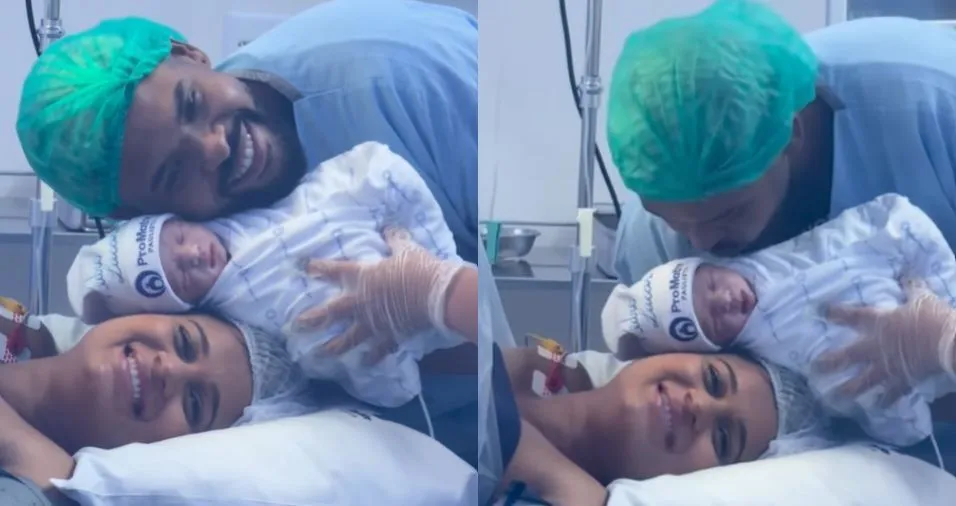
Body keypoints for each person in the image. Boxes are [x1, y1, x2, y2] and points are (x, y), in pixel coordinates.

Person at [296, 232, 833, 504]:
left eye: (723, 439)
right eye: (714, 381)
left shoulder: (572, 496)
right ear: (672, 349)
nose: (700, 407)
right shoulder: (542, 364)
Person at [16, 0, 479, 264]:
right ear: (134, 216)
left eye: (192, 103)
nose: (215, 146)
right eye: (175, 172)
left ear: (190, 54)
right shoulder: (202, 255)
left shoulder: (406, 81)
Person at [67, 142, 466, 408]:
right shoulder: (237, 315)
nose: (194, 255)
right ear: (183, 306)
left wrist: (434, 283)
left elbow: (354, 174)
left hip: (411, 256)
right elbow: (301, 342)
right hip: (380, 312)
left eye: (182, 237)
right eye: (181, 275)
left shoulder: (250, 208)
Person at [607, 0, 956, 286]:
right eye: (675, 222)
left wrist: (942, 336)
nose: (702, 243)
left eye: (730, 212)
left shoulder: (934, 106)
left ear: (792, 133)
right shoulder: (651, 234)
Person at [602, 193, 956, 450]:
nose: (725, 300)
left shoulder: (775, 262)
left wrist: (944, 336)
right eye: (712, 320)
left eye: (712, 284)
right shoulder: (770, 368)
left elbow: (889, 222)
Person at [0, 310, 300, 503]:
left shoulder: (27, 493)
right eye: (184, 341)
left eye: (194, 404)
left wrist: (24, 452)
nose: (169, 369)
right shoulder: (18, 325)